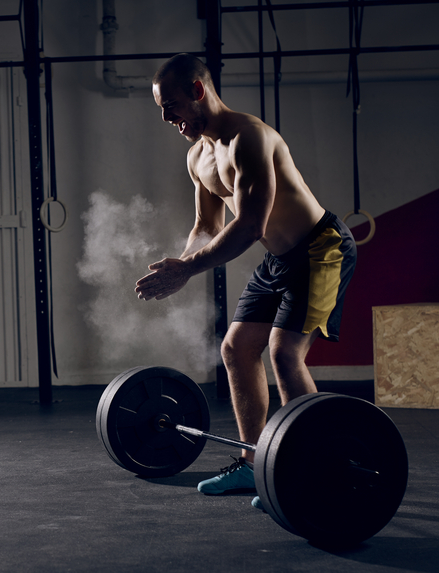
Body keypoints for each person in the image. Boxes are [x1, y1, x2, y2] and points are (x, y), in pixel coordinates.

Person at [135, 54, 357, 498]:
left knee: (284, 353)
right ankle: (253, 462)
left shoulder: (251, 139)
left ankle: (312, 465)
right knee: (236, 349)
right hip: (279, 260)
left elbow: (251, 225)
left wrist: (187, 270)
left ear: (198, 91)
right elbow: (207, 227)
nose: (167, 119)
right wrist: (177, 267)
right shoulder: (197, 156)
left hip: (320, 248)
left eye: (171, 106)